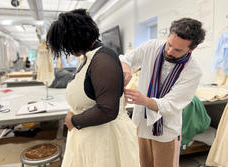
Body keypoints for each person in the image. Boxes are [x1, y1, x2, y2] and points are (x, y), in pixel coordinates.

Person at [46, 9, 140, 167]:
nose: (67, 51)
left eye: (66, 45)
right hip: (92, 137)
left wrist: (73, 120)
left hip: (106, 140)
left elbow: (108, 110)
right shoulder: (88, 58)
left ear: (75, 38)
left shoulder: (103, 59)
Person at [120, 18, 205, 167]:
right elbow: (126, 59)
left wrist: (144, 100)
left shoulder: (193, 72)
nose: (170, 51)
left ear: (191, 49)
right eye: (169, 44)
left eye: (178, 50)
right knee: (141, 163)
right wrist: (126, 68)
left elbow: (170, 105)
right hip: (142, 122)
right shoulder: (152, 47)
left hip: (165, 129)